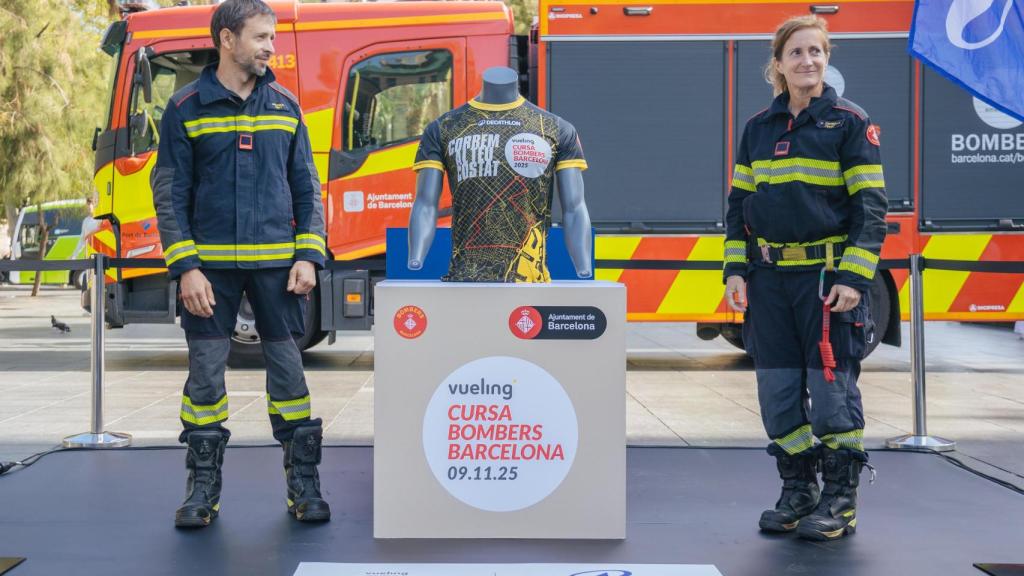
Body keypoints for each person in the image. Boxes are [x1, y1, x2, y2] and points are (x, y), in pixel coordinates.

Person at [151, 0, 330, 528]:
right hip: (210, 275)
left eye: (272, 37)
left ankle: (304, 487)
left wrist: (308, 255)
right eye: (260, 37)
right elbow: (170, 192)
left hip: (279, 271)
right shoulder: (185, 107)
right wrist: (186, 267)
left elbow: (307, 188)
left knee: (291, 381)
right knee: (205, 382)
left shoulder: (285, 106)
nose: (271, 47)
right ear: (227, 40)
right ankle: (202, 490)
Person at [723, 15, 887, 541]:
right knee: (777, 392)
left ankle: (840, 500)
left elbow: (871, 209)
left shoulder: (850, 123)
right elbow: (737, 209)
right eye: (797, 52)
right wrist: (735, 270)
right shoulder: (758, 128)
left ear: (827, 58)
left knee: (832, 392)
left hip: (824, 283)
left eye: (817, 51)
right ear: (778, 64)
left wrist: (854, 279)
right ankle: (799, 491)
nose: (808, 61)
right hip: (769, 283)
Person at [407, 66, 593, 282]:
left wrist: (582, 263)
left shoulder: (556, 128)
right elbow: (425, 202)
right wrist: (416, 256)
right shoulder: (443, 128)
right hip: (465, 278)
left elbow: (575, 206)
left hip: (530, 279)